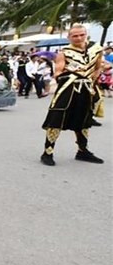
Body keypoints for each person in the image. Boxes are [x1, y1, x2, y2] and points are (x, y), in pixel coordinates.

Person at [40, 24, 105, 166]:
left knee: (83, 120)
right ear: (69, 37)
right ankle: (48, 152)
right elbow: (57, 73)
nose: (78, 38)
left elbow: (98, 67)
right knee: (57, 117)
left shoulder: (96, 50)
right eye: (75, 35)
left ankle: (82, 151)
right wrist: (70, 72)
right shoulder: (64, 52)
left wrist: (92, 80)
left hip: (86, 89)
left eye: (81, 34)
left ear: (86, 34)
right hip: (68, 89)